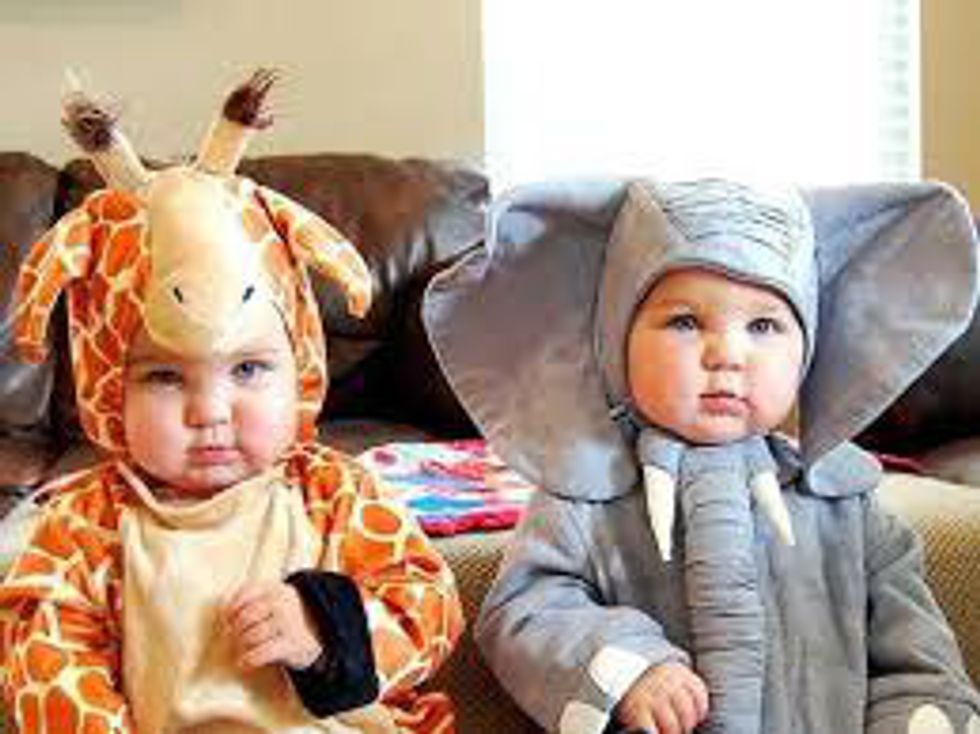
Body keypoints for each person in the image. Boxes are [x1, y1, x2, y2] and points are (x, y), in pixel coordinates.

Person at [423, 177, 980, 733]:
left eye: (764, 325)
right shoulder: (584, 500)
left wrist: (917, 716)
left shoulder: (849, 507)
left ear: (808, 350)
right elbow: (524, 609)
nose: (728, 354)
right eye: (685, 322)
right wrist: (631, 667)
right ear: (615, 339)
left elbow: (916, 655)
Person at [0, 70, 463, 734]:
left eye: (248, 369)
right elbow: (46, 661)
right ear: (107, 385)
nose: (210, 411)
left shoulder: (335, 493)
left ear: (299, 367)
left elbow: (427, 602)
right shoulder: (83, 525)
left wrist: (328, 627)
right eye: (165, 377)